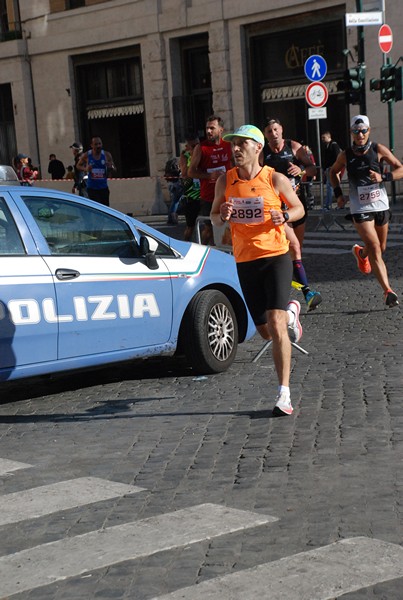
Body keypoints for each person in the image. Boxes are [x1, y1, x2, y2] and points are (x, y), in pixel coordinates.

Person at [211, 124, 304, 417]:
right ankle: (292, 313)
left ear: (257, 148)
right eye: (233, 145)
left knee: (276, 327)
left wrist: (285, 214)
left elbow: (299, 208)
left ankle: (284, 394)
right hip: (245, 261)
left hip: (276, 257)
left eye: (242, 144)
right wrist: (221, 215)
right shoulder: (224, 181)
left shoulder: (274, 179)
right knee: (265, 331)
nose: (235, 149)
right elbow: (214, 217)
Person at [330, 114, 403, 308]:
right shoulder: (346, 154)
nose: (360, 134)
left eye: (363, 130)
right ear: (351, 133)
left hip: (380, 205)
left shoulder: (378, 149)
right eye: (356, 131)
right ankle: (388, 291)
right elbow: (332, 172)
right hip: (359, 207)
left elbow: (400, 169)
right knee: (376, 247)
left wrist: (383, 176)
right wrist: (338, 194)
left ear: (368, 131)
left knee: (381, 247)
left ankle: (361, 254)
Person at [264, 119, 322, 311]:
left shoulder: (294, 147)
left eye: (276, 129)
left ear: (281, 130)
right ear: (266, 135)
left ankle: (290, 281)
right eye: (269, 131)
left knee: (297, 250)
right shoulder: (262, 154)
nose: (273, 134)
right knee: (294, 248)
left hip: (297, 205)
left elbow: (314, 169)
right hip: (278, 209)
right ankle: (306, 292)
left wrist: (302, 170)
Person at [188, 115, 232, 245]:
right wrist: (210, 176)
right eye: (207, 128)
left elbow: (235, 165)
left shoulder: (229, 145)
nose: (208, 131)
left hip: (228, 193)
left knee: (230, 225)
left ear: (221, 130)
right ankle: (204, 251)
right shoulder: (201, 148)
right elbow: (190, 172)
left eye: (212, 128)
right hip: (209, 196)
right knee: (209, 228)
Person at [76, 136, 116, 206]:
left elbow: (114, 168)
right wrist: (86, 169)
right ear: (92, 145)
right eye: (96, 144)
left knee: (105, 210)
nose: (98, 146)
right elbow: (78, 166)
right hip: (92, 188)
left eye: (99, 144)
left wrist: (111, 167)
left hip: (103, 188)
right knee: (97, 208)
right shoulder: (87, 155)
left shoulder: (107, 155)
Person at [179, 134, 201, 241]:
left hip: (204, 195)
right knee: (190, 227)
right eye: (192, 147)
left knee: (209, 226)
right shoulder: (185, 156)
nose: (195, 149)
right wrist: (193, 159)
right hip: (191, 196)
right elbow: (184, 173)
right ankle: (185, 244)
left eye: (197, 146)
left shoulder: (202, 154)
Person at [321, 131, 342, 210]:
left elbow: (338, 157)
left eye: (324, 137)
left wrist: (337, 168)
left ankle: (328, 204)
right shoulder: (327, 146)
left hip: (333, 168)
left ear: (328, 137)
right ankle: (337, 204)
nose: (322, 139)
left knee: (330, 186)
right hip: (329, 168)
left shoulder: (333, 145)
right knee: (331, 186)